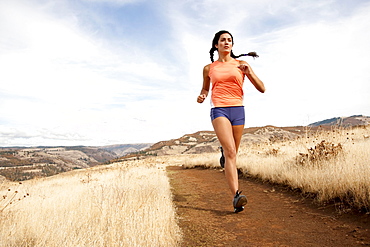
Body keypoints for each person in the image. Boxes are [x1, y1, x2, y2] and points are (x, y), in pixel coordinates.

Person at [197, 30, 265, 213]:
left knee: (232, 156)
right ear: (216, 45)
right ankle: (236, 196)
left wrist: (249, 72)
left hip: (238, 110)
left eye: (229, 40)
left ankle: (224, 154)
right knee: (231, 152)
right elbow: (205, 89)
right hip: (219, 109)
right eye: (222, 40)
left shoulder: (241, 64)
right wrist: (202, 95)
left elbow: (262, 89)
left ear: (232, 45)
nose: (226, 42)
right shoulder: (209, 68)